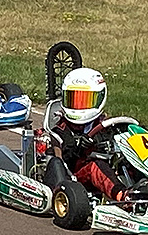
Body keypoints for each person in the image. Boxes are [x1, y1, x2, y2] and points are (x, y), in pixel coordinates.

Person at [46, 67, 131, 201]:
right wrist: (81, 146)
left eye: (85, 100)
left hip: (109, 171)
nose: (78, 106)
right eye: (73, 99)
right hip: (75, 179)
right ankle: (123, 196)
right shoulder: (62, 129)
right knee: (95, 166)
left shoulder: (105, 124)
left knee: (130, 162)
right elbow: (66, 159)